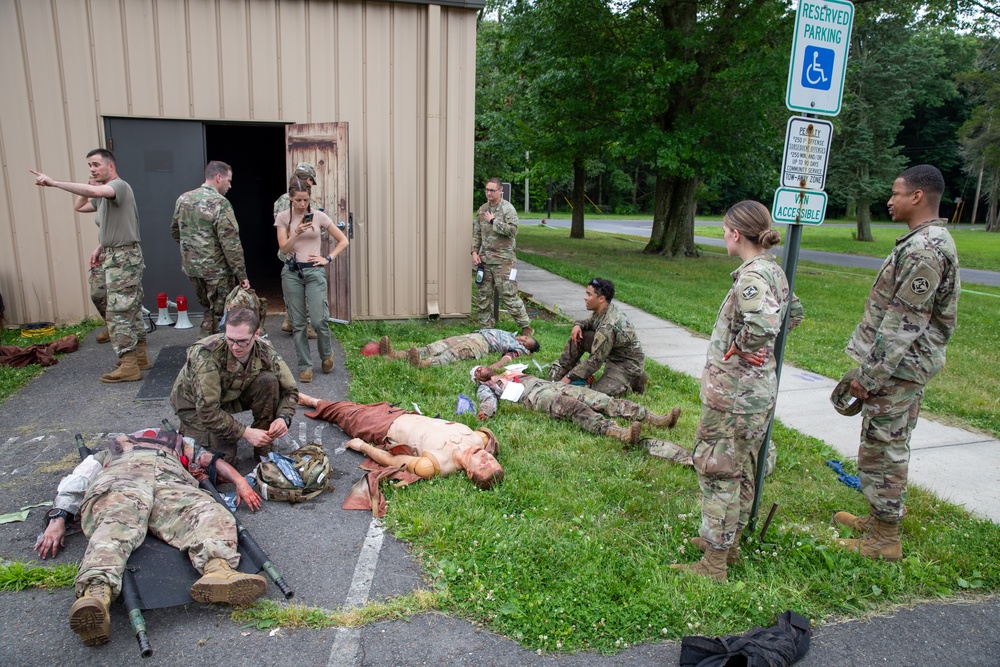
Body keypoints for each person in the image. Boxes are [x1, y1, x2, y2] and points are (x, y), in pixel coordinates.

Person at [33, 427, 265, 647]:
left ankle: (218, 569)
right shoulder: (110, 451)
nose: (147, 434)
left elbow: (212, 462)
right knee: (117, 523)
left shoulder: (179, 444)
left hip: (169, 482)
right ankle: (96, 594)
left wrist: (240, 481)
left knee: (209, 512)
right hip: (123, 479)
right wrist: (58, 518)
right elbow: (79, 479)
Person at [670, 200, 803, 582]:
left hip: (734, 395)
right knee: (741, 468)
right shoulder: (773, 270)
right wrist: (756, 348)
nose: (723, 235)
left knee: (717, 469)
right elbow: (792, 314)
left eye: (725, 229)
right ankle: (727, 541)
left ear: (735, 233)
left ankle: (714, 562)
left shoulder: (752, 275)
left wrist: (741, 346)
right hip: (755, 393)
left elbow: (764, 322)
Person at [832, 165, 959, 562]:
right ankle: (878, 519)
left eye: (897, 193)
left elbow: (904, 322)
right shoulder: (922, 241)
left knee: (884, 449)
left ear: (918, 197)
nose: (890, 200)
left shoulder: (926, 250)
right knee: (881, 442)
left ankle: (885, 539)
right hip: (898, 366)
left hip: (900, 367)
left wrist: (870, 375)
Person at [30, 149, 147, 382]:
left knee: (118, 312)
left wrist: (54, 183)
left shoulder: (119, 186)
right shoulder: (103, 196)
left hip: (124, 259)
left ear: (110, 166)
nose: (92, 169)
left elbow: (95, 191)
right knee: (130, 309)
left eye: (96, 165)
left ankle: (130, 365)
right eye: (89, 166)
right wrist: (99, 248)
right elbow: (80, 206)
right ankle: (140, 357)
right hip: (116, 255)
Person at [298, 394, 504, 516]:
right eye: (491, 459)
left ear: (469, 473)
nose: (485, 458)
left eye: (483, 465)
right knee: (355, 407)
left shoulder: (434, 464)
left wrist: (363, 447)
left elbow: (391, 460)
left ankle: (312, 400)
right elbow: (491, 439)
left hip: (382, 426)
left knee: (343, 413)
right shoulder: (480, 440)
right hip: (402, 413)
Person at [170, 306, 298, 463]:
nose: (235, 347)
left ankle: (263, 442)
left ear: (256, 334)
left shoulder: (264, 350)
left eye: (242, 341)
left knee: (268, 381)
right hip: (195, 407)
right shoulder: (206, 356)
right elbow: (207, 411)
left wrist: (283, 418)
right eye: (230, 339)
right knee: (223, 460)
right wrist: (245, 433)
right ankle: (190, 429)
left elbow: (290, 391)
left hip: (229, 395)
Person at [474, 366, 680, 444]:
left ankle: (656, 419)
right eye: (476, 372)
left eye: (481, 367)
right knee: (575, 408)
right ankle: (620, 433)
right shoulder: (488, 387)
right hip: (537, 395)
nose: (481, 370)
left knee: (602, 399)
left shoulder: (510, 371)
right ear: (479, 379)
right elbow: (488, 402)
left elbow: (511, 355)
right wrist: (485, 412)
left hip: (552, 385)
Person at [274, 179, 349, 383]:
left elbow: (343, 240)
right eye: (298, 200)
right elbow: (283, 249)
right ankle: (305, 366)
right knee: (298, 323)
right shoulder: (283, 218)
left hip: (314, 272)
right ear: (290, 198)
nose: (302, 204)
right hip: (291, 272)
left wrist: (328, 258)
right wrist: (296, 232)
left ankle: (326, 355)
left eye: (306, 200)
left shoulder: (319, 216)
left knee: (318, 320)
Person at [170, 161, 250, 336]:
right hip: (217, 270)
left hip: (193, 268)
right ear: (219, 178)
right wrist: (241, 274)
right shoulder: (220, 203)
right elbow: (231, 244)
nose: (230, 185)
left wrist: (194, 251)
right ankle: (212, 348)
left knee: (208, 308)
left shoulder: (183, 199)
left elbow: (176, 232)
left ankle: (205, 345)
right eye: (229, 181)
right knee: (221, 313)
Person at [549, 277, 646, 396]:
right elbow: (588, 322)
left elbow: (595, 361)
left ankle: (634, 379)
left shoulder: (607, 327)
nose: (585, 297)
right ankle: (563, 368)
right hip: (610, 352)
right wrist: (578, 325)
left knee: (596, 394)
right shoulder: (602, 310)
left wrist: (569, 377)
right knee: (580, 334)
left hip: (624, 363)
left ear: (601, 298)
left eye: (589, 294)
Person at [472, 177, 533, 335]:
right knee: (483, 295)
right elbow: (477, 233)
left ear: (500, 191)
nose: (489, 193)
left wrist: (494, 221)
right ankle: (487, 329)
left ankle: (526, 327)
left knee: (509, 295)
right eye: (487, 190)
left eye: (492, 190)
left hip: (503, 261)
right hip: (485, 260)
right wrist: (474, 252)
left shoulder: (508, 209)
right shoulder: (482, 209)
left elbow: (513, 231)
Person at [274, 162, 325, 338]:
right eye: (311, 181)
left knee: (290, 287)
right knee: (304, 287)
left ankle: (290, 319)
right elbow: (315, 226)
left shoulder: (282, 199)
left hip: (287, 249)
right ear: (308, 179)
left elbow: (280, 224)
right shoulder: (308, 201)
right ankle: (306, 325)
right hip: (301, 249)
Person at [378, 329, 540, 369]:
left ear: (527, 349)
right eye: (525, 338)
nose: (522, 339)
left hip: (481, 345)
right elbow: (529, 329)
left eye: (526, 342)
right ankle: (395, 354)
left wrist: (493, 367)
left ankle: (423, 363)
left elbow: (507, 358)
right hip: (471, 336)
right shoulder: (511, 335)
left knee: (452, 354)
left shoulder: (517, 349)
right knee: (435, 346)